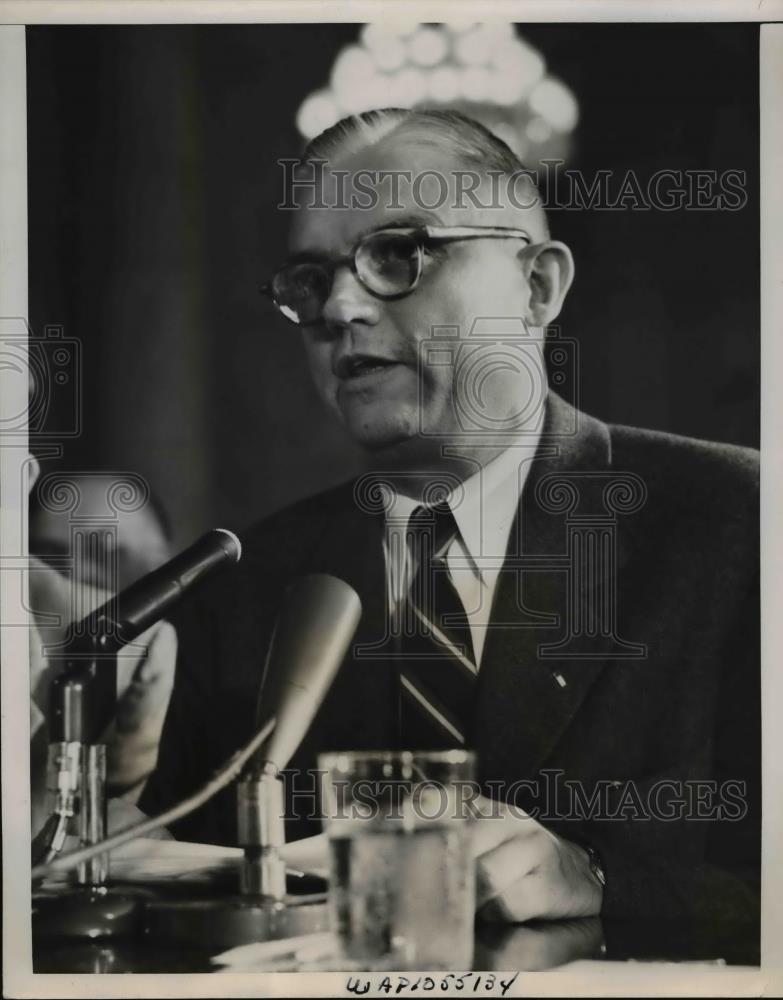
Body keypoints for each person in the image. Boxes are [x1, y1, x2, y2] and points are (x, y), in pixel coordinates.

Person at [140, 109, 759, 929]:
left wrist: (601, 882)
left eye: (398, 255)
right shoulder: (238, 591)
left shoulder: (740, 522)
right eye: (310, 280)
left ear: (536, 286)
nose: (341, 308)